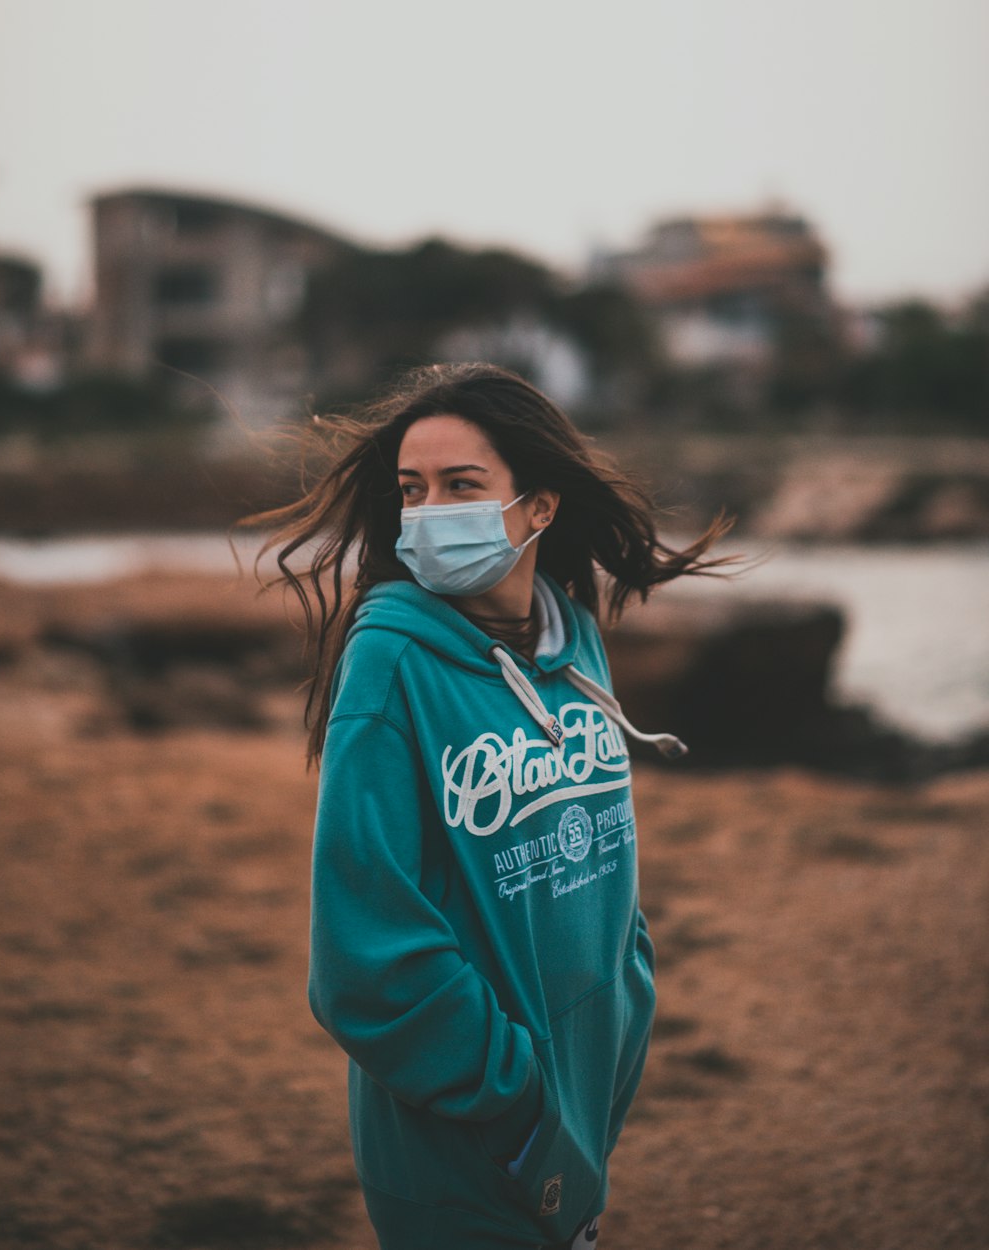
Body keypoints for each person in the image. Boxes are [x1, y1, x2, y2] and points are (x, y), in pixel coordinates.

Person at [252, 363, 732, 1250]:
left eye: (461, 486)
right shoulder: (392, 663)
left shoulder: (576, 639)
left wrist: (625, 1007)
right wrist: (520, 1109)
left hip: (584, 1111)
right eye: (412, 491)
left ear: (539, 505)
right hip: (468, 1143)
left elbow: (600, 871)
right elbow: (365, 964)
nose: (430, 511)